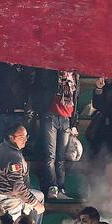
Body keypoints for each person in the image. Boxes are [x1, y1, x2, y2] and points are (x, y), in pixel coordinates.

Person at [0, 123, 46, 224]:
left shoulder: (3, 147)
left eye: (26, 136)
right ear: (11, 137)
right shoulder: (13, 156)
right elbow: (18, 188)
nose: (25, 139)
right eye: (21, 137)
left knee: (40, 196)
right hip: (9, 198)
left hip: (10, 195)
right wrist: (35, 204)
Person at [0, 61, 36, 177]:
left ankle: (13, 185)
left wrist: (18, 67)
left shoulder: (23, 66)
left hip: (16, 113)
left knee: (15, 154)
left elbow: (29, 83)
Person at [36, 70, 80, 200]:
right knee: (50, 155)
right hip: (51, 116)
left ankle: (60, 188)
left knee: (61, 157)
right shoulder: (51, 72)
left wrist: (74, 123)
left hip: (66, 119)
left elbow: (75, 98)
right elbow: (41, 89)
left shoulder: (75, 75)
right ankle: (52, 186)